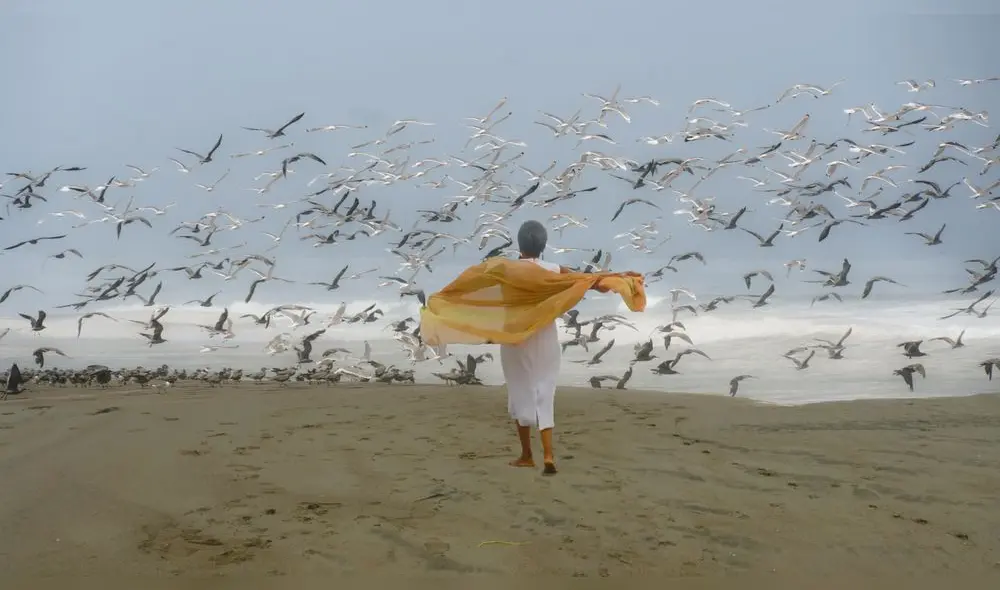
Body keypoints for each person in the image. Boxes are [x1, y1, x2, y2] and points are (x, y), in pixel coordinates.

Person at [501, 220, 597, 476]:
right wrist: (619, 280)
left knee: (519, 391)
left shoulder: (506, 269)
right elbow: (587, 281)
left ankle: (526, 455)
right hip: (545, 337)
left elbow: (488, 293)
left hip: (515, 337)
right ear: (543, 246)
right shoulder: (556, 270)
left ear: (519, 244)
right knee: (545, 392)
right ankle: (548, 454)